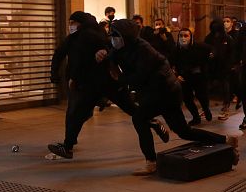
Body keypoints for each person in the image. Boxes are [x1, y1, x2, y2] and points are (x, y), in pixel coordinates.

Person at [100, 19, 239, 176]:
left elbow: (139, 76)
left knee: (139, 118)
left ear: (126, 36)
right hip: (159, 91)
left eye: (115, 35)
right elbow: (112, 53)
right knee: (183, 131)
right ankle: (226, 140)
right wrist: (104, 54)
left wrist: (120, 79)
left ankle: (151, 162)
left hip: (165, 91)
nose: (112, 38)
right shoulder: (124, 47)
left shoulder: (143, 50)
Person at [47, 12, 162, 160]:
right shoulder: (89, 35)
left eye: (73, 22)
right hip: (104, 83)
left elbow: (79, 61)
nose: (71, 26)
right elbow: (62, 55)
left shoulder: (85, 36)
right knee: (130, 108)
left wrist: (68, 77)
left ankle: (67, 146)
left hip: (96, 83)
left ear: (81, 23)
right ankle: (153, 122)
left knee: (76, 114)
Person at [170, 28, 212, 125]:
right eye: (181, 36)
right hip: (184, 77)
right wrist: (176, 75)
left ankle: (206, 109)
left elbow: (211, 50)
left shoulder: (199, 46)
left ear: (191, 37)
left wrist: (210, 57)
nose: (183, 38)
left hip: (198, 76)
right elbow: (170, 63)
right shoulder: (176, 49)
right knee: (187, 99)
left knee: (202, 96)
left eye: (186, 36)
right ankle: (196, 117)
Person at [204, 18, 233, 120]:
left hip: (224, 67)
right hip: (211, 67)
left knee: (225, 86)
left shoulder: (227, 38)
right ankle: (205, 108)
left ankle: (226, 107)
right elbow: (204, 50)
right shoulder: (208, 38)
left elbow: (231, 52)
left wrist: (230, 65)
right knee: (206, 87)